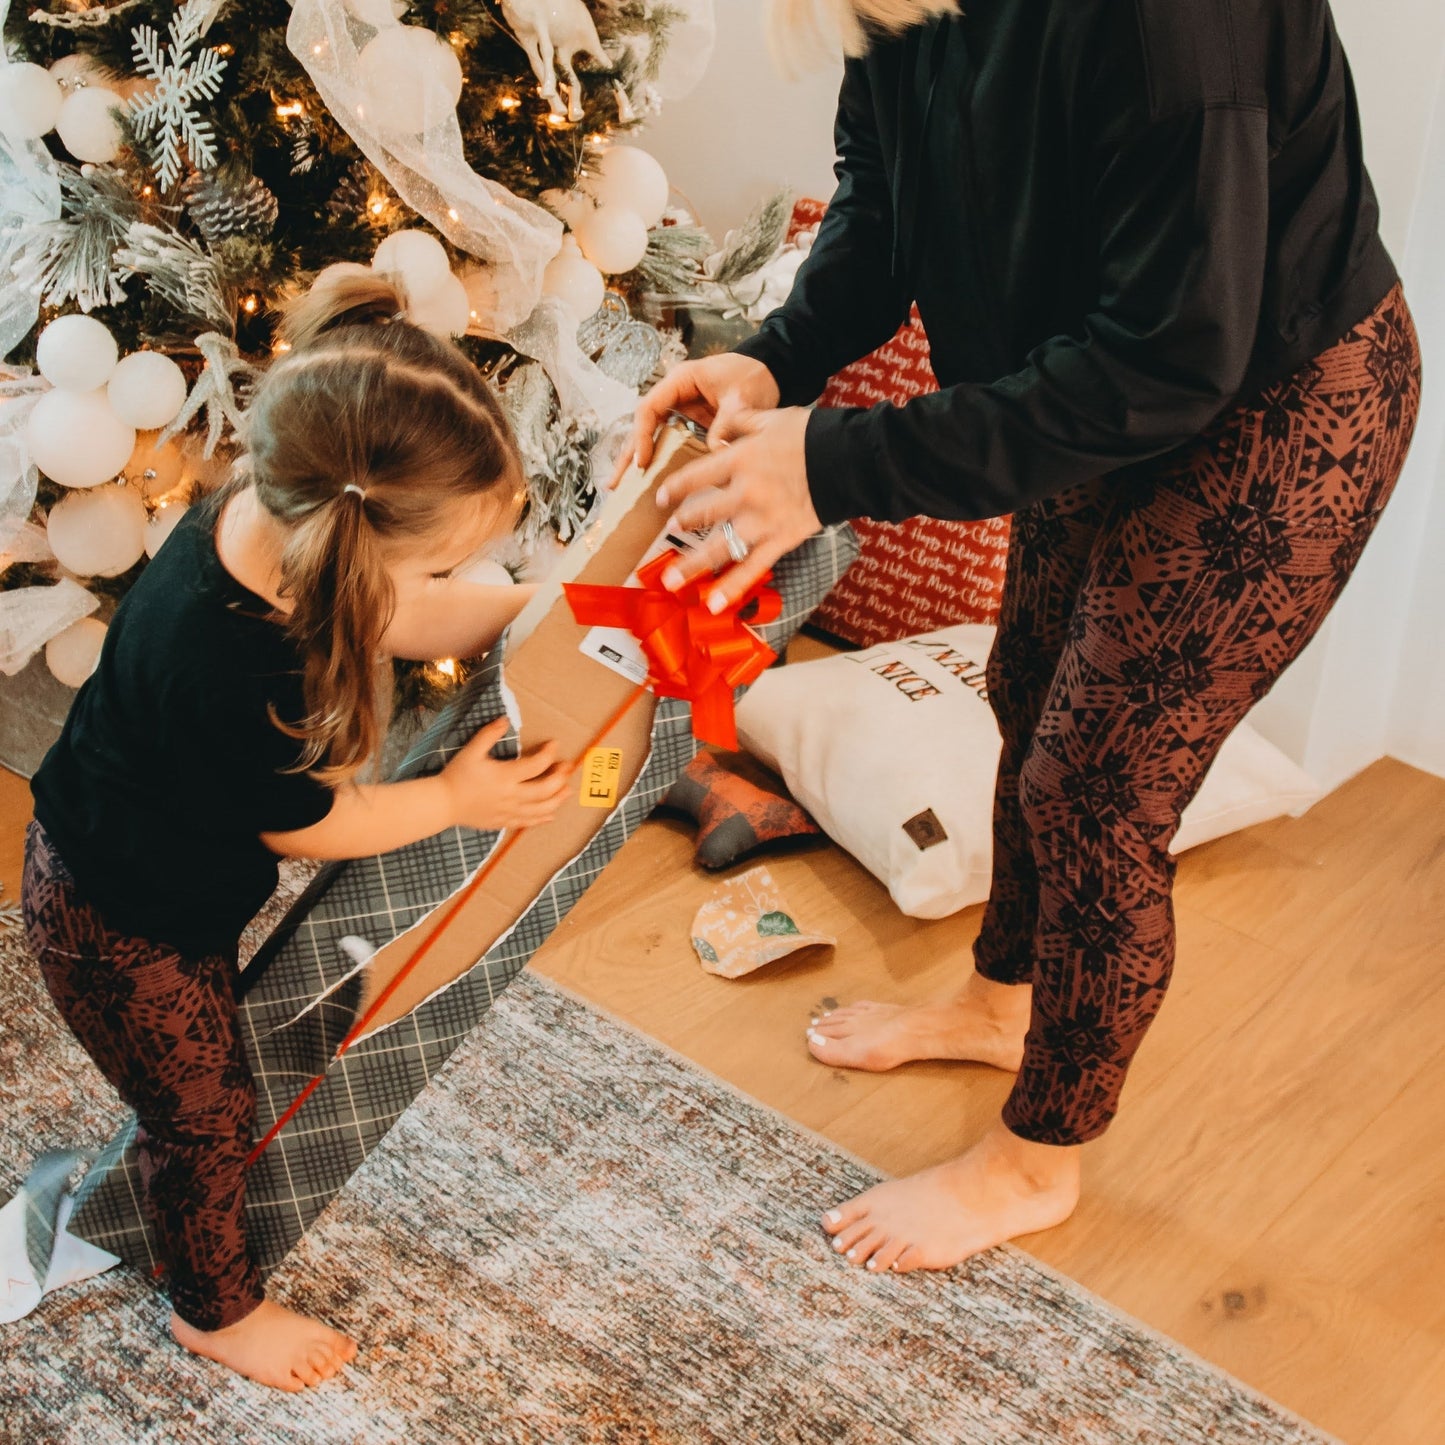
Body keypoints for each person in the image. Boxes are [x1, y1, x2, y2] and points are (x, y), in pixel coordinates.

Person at [619, 0, 1423, 1274]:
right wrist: (775, 365)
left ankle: (1032, 1163)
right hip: (1085, 383)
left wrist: (836, 464)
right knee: (1023, 689)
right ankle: (1000, 1006)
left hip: (1270, 403)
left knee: (1094, 785)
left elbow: (1178, 351)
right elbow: (882, 205)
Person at [22, 272, 570, 1391]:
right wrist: (459, 799)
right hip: (120, 921)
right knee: (209, 1117)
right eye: (431, 561)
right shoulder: (233, 666)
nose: (432, 587)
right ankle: (211, 1307)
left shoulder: (265, 510)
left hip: (149, 865)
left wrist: (527, 610)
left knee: (203, 1076)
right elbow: (312, 822)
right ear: (352, 542)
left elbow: (397, 608)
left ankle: (194, 1249)